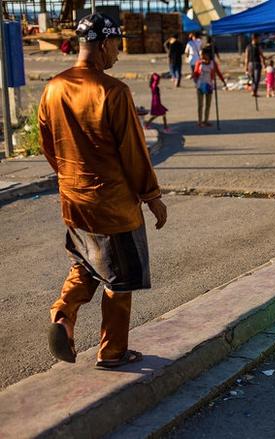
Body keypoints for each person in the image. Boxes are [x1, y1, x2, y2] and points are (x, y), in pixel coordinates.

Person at [38, 13, 167, 369]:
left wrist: (69, 177)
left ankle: (63, 314)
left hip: (74, 200)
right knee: (119, 277)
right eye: (117, 45)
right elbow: (133, 151)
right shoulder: (112, 91)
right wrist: (152, 195)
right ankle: (112, 351)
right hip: (112, 204)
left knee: (86, 262)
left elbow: (49, 145)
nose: (118, 55)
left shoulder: (52, 88)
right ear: (105, 44)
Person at [194, 46, 226, 127]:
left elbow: (218, 72)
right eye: (201, 55)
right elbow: (195, 73)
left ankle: (206, 120)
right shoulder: (198, 63)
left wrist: (223, 81)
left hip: (209, 85)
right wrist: (195, 78)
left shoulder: (213, 63)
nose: (201, 56)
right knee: (200, 105)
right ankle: (200, 121)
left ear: (208, 54)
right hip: (200, 85)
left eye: (203, 54)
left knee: (208, 105)